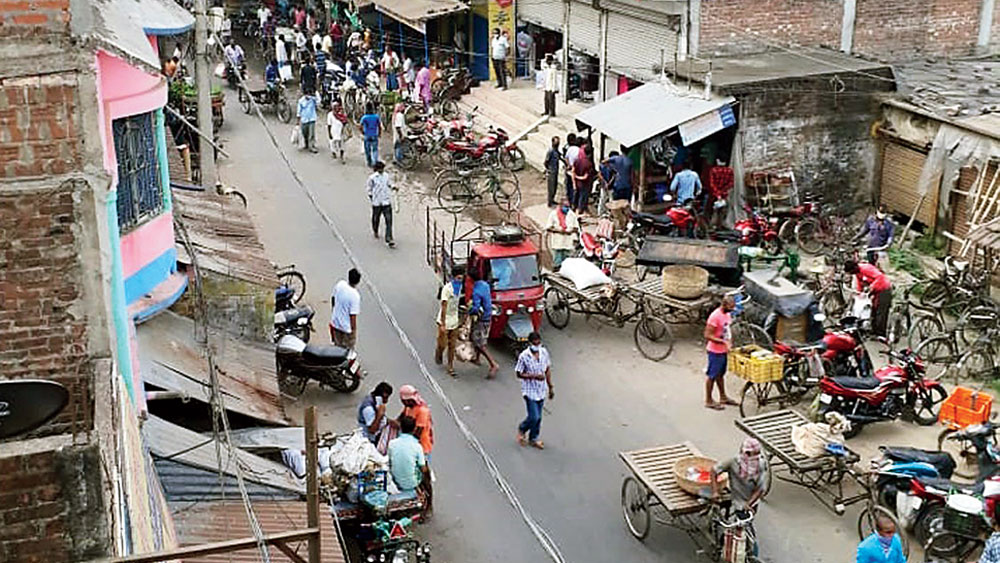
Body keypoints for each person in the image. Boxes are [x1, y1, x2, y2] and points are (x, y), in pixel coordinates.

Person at [515, 331, 554, 450]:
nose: (537, 346)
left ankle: (533, 438)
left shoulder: (544, 352)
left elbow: (547, 369)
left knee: (539, 418)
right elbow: (519, 374)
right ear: (530, 343)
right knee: (534, 417)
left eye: (538, 343)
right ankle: (522, 428)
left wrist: (550, 386)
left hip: (541, 390)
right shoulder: (524, 356)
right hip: (529, 390)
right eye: (534, 343)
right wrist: (534, 376)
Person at [711, 438, 769, 510]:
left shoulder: (761, 465)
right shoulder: (733, 461)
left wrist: (748, 504)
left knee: (744, 519)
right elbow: (714, 470)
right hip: (736, 496)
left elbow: (760, 489)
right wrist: (715, 492)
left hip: (751, 501)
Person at [704, 296, 737, 410]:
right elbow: (708, 335)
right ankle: (708, 400)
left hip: (723, 350)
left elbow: (727, 330)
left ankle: (723, 397)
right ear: (724, 305)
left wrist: (729, 342)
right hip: (715, 351)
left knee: (720, 375)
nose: (733, 309)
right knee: (712, 376)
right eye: (731, 307)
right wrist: (723, 342)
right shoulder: (715, 317)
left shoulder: (727, 315)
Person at [845, 259, 892, 337]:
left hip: (883, 288)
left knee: (880, 311)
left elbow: (880, 277)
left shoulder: (866, 269)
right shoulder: (857, 273)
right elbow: (860, 283)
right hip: (874, 290)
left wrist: (872, 287)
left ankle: (880, 333)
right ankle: (873, 330)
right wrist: (860, 293)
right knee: (873, 309)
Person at [387, 416, 429, 494]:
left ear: (401, 428)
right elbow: (423, 468)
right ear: (414, 429)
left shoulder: (392, 444)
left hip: (395, 480)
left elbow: (389, 462)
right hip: (412, 483)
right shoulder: (417, 446)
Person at [469, 270, 499, 378]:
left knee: (479, 343)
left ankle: (493, 364)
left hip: (481, 319)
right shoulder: (485, 285)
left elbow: (475, 308)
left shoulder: (476, 291)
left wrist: (469, 310)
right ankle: (476, 358)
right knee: (476, 338)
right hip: (488, 315)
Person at [435, 266, 464, 376]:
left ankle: (450, 366)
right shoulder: (447, 289)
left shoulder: (460, 287)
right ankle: (439, 352)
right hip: (445, 321)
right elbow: (444, 306)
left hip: (454, 321)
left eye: (461, 278)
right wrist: (442, 324)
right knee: (443, 344)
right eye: (458, 278)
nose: (460, 280)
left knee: (452, 345)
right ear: (454, 277)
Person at [398, 385, 433, 459]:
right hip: (411, 447)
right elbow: (400, 419)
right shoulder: (408, 407)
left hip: (421, 448)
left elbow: (418, 432)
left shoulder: (422, 411)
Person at [330, 268, 361, 348]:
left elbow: (333, 298)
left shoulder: (340, 284)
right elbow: (352, 316)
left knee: (337, 347)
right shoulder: (355, 296)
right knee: (348, 351)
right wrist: (353, 330)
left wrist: (334, 312)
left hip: (336, 323)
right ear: (358, 281)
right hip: (346, 329)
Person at [366, 161, 395, 247]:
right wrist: (372, 198)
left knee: (389, 220)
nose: (381, 170)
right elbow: (369, 189)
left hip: (386, 201)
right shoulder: (372, 178)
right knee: (376, 218)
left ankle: (389, 238)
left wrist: (393, 187)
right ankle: (375, 230)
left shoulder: (386, 176)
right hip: (377, 202)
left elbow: (389, 184)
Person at [545, 199, 578, 268]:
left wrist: (570, 231)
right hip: (558, 241)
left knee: (567, 260)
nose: (566, 208)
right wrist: (559, 231)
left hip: (568, 242)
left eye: (568, 206)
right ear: (560, 206)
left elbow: (576, 227)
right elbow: (549, 227)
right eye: (565, 206)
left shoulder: (571, 214)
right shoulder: (553, 214)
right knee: (557, 259)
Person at [572, 143, 594, 215]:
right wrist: (579, 177)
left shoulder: (577, 160)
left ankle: (574, 210)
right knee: (582, 199)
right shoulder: (589, 164)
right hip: (585, 184)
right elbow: (585, 177)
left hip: (577, 183)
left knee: (577, 197)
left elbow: (573, 171)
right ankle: (579, 213)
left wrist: (575, 179)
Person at [544, 136, 561, 207]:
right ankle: (549, 202)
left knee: (555, 186)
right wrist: (548, 169)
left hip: (556, 171)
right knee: (551, 187)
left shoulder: (556, 151)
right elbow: (546, 161)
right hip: (551, 171)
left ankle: (552, 200)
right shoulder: (550, 151)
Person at [541, 53, 558, 117]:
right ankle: (546, 111)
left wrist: (554, 89)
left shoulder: (553, 69)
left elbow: (554, 79)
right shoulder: (546, 68)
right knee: (546, 100)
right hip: (546, 86)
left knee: (551, 100)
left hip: (551, 87)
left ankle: (552, 112)